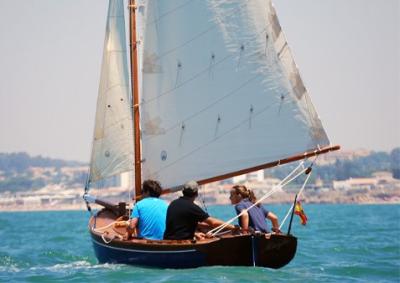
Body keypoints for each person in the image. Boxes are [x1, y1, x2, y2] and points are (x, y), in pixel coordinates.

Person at [164, 181, 237, 240]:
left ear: (183, 192)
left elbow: (180, 225)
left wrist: (195, 234)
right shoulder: (192, 207)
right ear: (196, 194)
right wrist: (233, 227)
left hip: (167, 241)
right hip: (183, 243)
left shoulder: (173, 203)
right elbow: (213, 222)